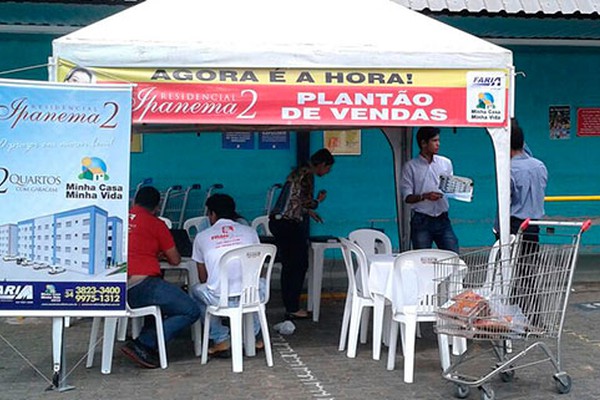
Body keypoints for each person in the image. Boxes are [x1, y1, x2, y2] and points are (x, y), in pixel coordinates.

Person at [122, 186, 201, 368]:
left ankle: (146, 338)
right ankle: (144, 343)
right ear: (157, 208)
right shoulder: (156, 224)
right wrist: (159, 254)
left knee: (164, 299)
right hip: (142, 285)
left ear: (134, 202)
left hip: (115, 288)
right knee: (190, 309)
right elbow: (175, 259)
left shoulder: (118, 219)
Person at [191, 193, 262, 357]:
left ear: (212, 214)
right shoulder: (250, 232)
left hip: (219, 299)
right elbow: (258, 266)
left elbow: (203, 278)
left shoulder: (202, 237)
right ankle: (251, 335)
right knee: (260, 285)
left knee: (196, 291)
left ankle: (220, 338)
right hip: (249, 296)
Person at [269, 148, 334, 319]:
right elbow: (306, 201)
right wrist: (318, 201)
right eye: (327, 169)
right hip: (288, 224)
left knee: (289, 265)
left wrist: (308, 212)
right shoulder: (308, 175)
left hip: (279, 222)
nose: (326, 173)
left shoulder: (298, 172)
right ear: (321, 164)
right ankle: (292, 307)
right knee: (298, 265)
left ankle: (289, 304)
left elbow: (295, 200)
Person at [401, 126, 459, 253]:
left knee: (452, 254)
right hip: (422, 219)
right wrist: (425, 196)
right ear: (423, 143)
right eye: (434, 141)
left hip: (442, 217)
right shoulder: (410, 167)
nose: (438, 144)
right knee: (422, 258)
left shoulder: (445, 163)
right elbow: (407, 197)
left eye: (438, 140)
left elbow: (450, 187)